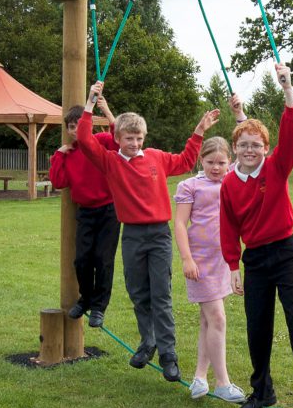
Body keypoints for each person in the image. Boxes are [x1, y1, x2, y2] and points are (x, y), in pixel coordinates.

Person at [77, 81, 220, 383]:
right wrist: (90, 103)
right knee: (139, 293)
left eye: (139, 137)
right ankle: (148, 342)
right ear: (117, 138)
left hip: (158, 235)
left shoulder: (155, 157)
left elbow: (183, 161)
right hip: (131, 235)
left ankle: (169, 354)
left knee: (161, 295)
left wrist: (198, 131)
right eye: (129, 138)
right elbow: (84, 139)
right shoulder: (111, 162)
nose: (135, 143)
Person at [220, 63, 293, 408]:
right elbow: (228, 226)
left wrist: (288, 92)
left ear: (266, 149)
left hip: (285, 253)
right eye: (244, 144)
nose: (250, 150)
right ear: (235, 147)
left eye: (257, 145)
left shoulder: (275, 168)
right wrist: (233, 266)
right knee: (257, 326)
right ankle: (262, 391)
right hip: (256, 260)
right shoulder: (228, 185)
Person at [172, 95, 249, 403]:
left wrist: (239, 113)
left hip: (223, 261)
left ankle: (200, 378)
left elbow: (250, 144)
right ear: (201, 161)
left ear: (229, 162)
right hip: (199, 262)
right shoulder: (190, 186)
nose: (217, 168)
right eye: (210, 162)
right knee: (217, 318)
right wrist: (187, 259)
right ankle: (223, 382)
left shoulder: (233, 180)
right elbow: (180, 224)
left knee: (208, 320)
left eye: (222, 162)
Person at [49, 98, 120, 329]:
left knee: (103, 259)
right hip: (86, 212)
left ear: (87, 125)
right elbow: (59, 182)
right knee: (82, 260)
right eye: (70, 126)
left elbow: (119, 138)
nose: (74, 130)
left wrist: (106, 110)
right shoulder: (68, 154)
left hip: (109, 210)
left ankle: (99, 307)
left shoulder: (99, 141)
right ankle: (86, 298)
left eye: (79, 125)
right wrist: (59, 154)